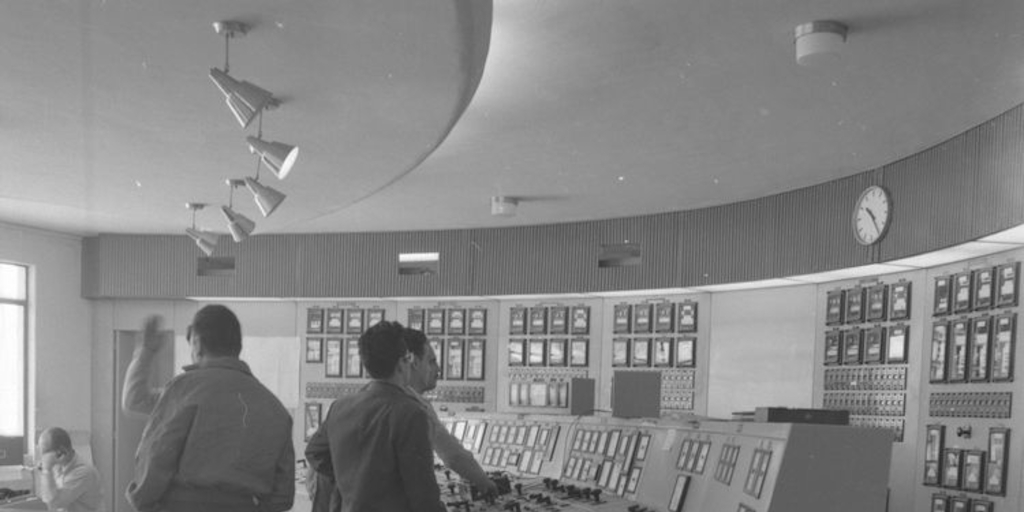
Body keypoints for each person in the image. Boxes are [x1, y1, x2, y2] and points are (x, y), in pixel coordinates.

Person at [122, 305, 295, 512]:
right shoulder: (274, 408)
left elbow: (158, 453)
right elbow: (283, 495)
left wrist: (145, 353)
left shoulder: (184, 390)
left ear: (197, 343)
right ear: (238, 345)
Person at [305, 321, 444, 512]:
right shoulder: (411, 413)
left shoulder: (340, 407)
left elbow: (315, 452)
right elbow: (423, 494)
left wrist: (351, 481)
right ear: (403, 363)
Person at [401, 328, 498, 496]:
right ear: (414, 362)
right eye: (431, 361)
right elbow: (453, 456)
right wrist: (486, 484)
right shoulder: (416, 406)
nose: (438, 370)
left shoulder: (358, 403)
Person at [35, 427, 103, 512]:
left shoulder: (83, 472)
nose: (43, 458)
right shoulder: (59, 467)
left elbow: (54, 503)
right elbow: (45, 497)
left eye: (45, 454)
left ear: (62, 452)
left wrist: (47, 470)